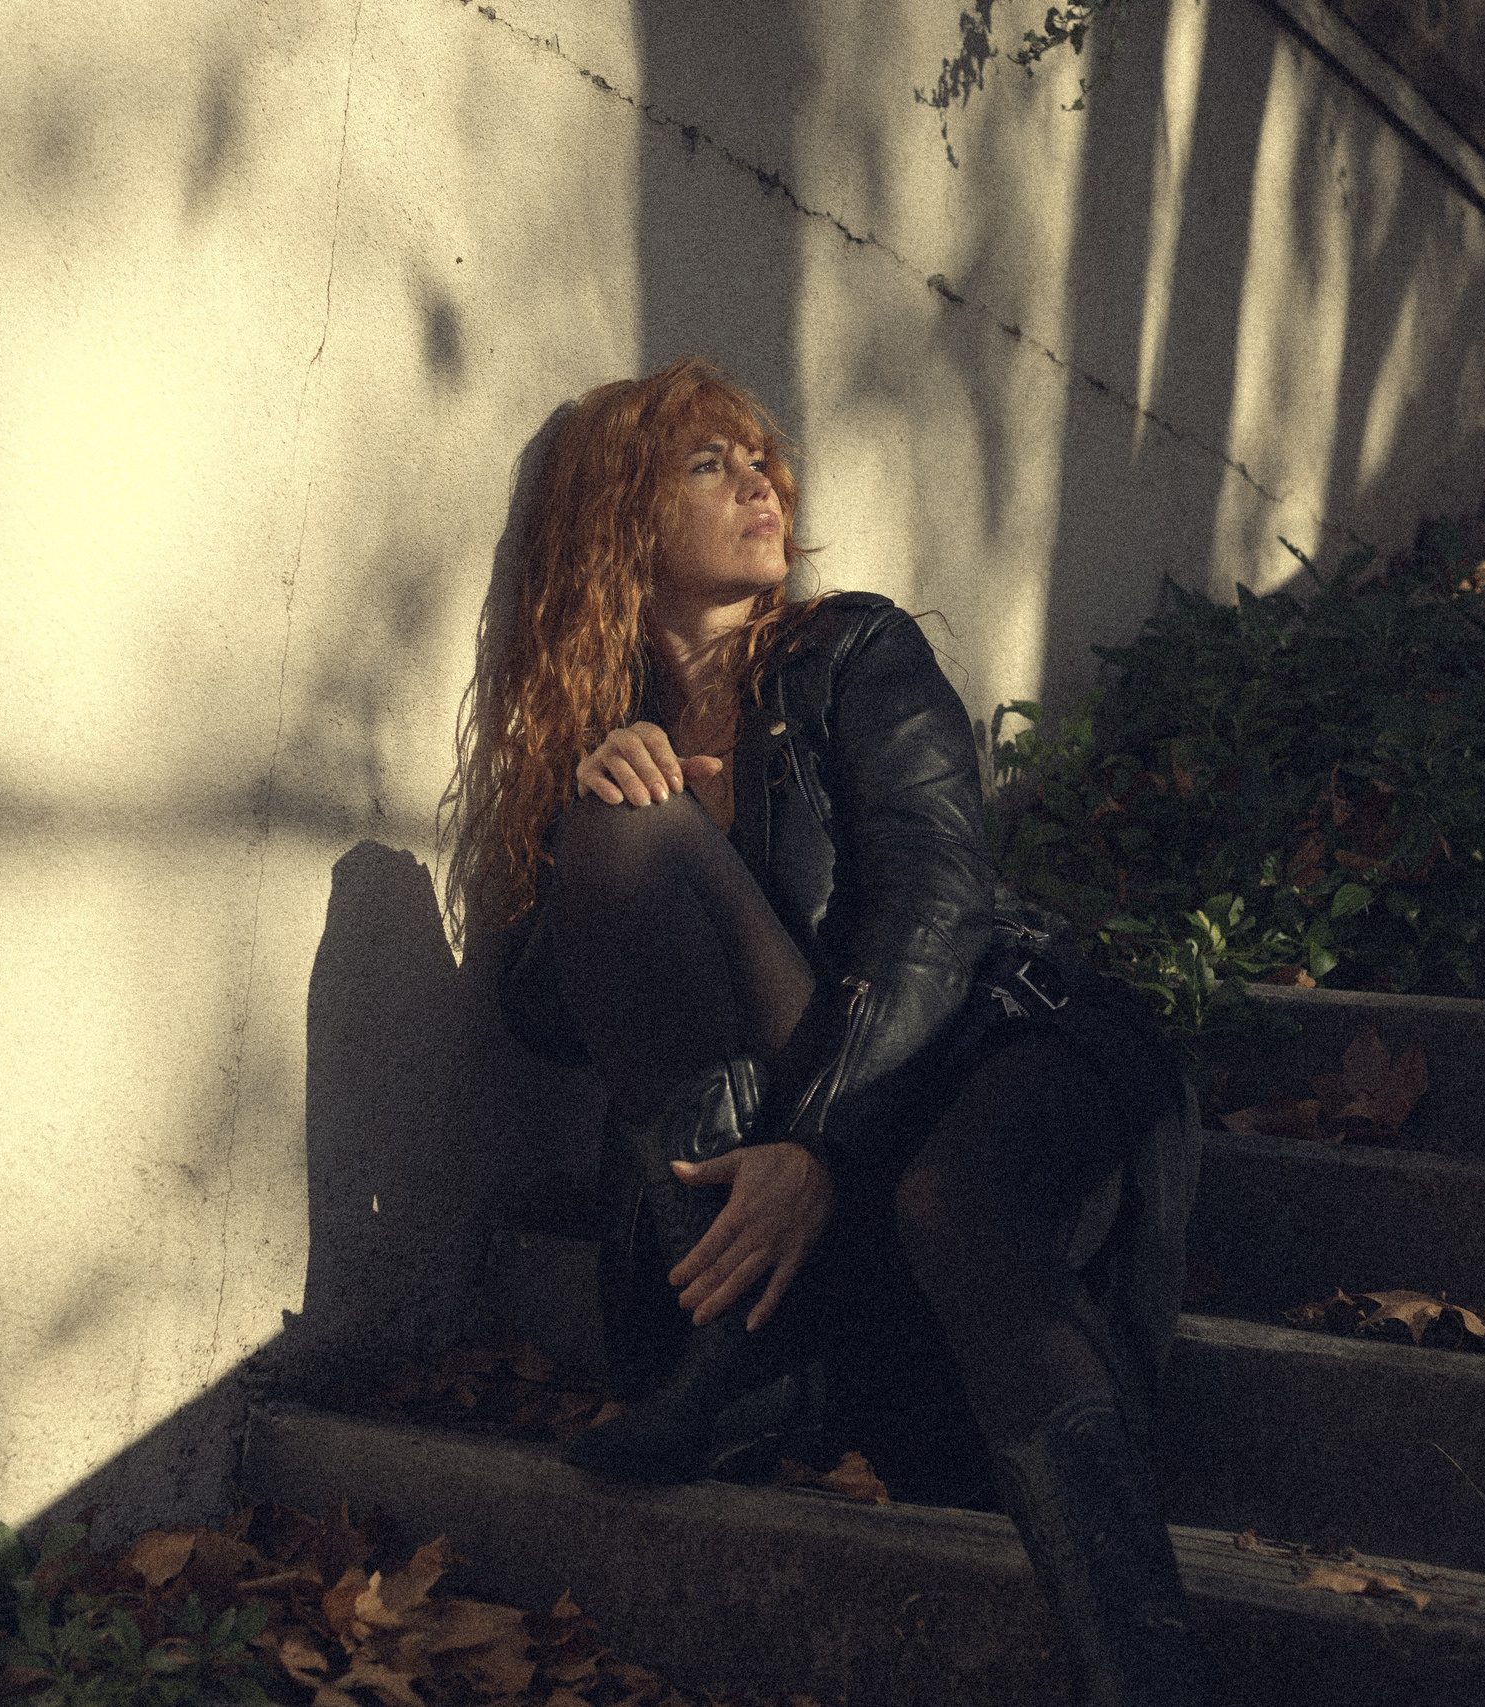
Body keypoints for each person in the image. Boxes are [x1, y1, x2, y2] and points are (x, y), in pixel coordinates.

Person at [453, 357, 1210, 1706]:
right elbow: (540, 1012)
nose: (762, 483)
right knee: (623, 834)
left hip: (976, 1057)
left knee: (951, 1204)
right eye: (709, 463)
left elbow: (937, 906)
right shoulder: (613, 726)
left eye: (763, 461)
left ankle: (1151, 1682)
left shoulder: (852, 652)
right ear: (623, 518)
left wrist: (816, 1142)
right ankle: (743, 1351)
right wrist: (589, 813)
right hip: (796, 1173)